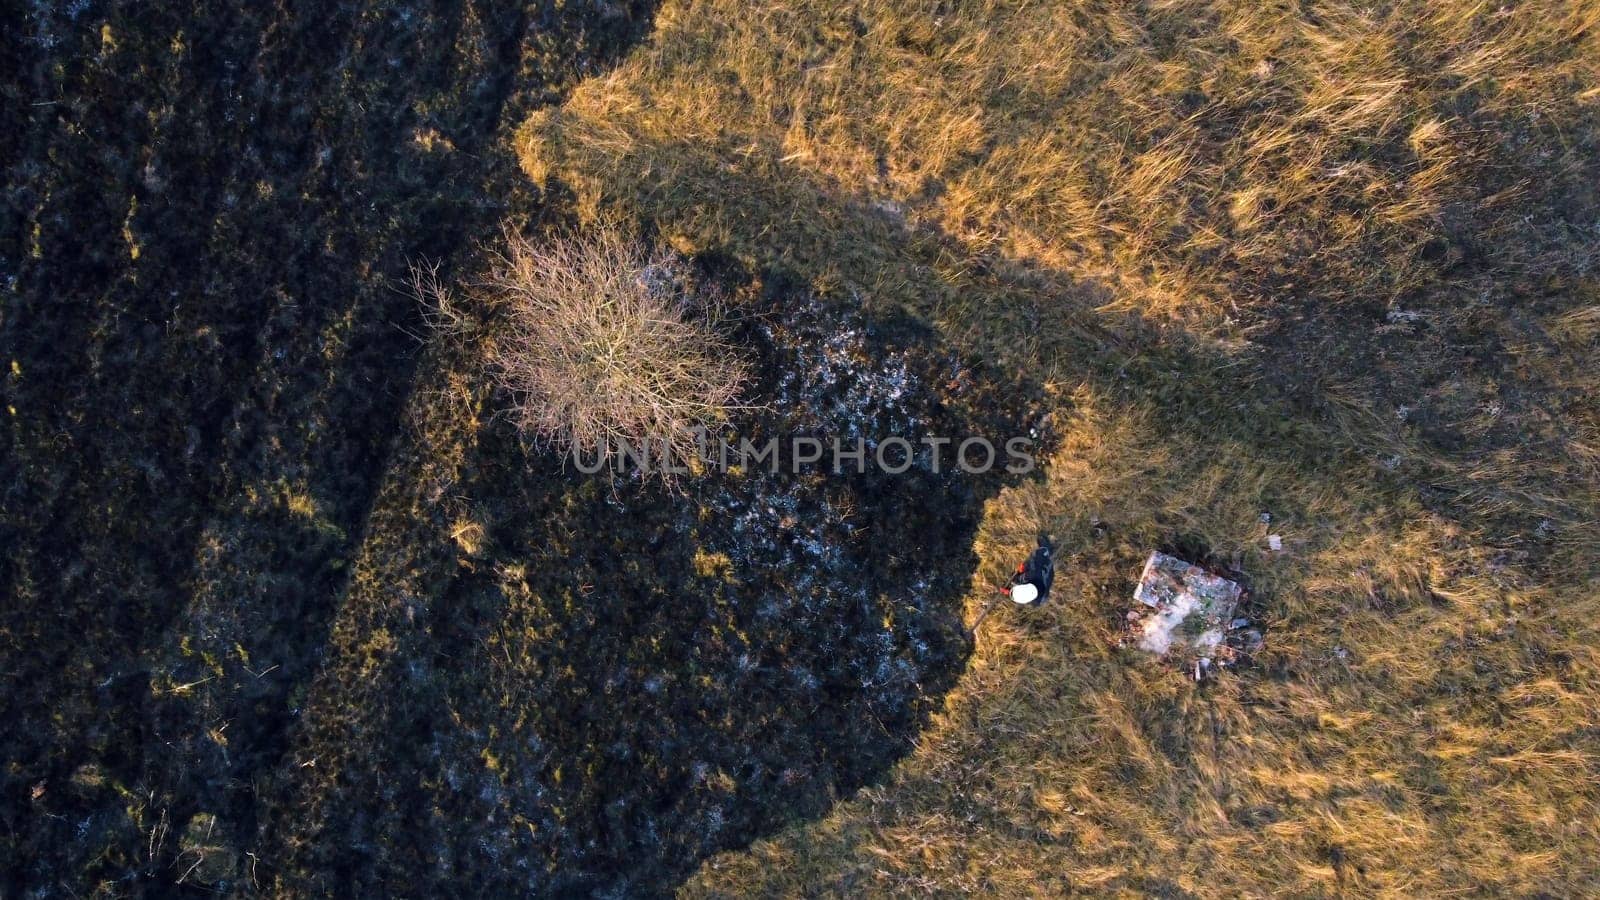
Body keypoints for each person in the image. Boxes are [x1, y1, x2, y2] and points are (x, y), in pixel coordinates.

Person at [1009, 534, 1054, 606]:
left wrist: (1012, 590)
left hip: (1047, 576)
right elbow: (1021, 578)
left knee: (1034, 561)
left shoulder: (1038, 601)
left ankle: (1046, 550)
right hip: (1045, 570)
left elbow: (1020, 580)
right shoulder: (1033, 573)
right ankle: (1047, 549)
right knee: (1039, 554)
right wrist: (1024, 567)